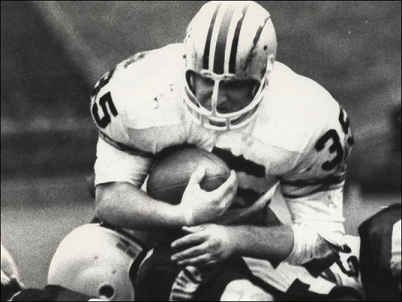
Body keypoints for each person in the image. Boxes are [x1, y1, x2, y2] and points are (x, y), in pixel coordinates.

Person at [88, 1, 357, 300]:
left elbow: (321, 235)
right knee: (91, 268)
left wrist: (235, 238)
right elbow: (110, 199)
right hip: (149, 238)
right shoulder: (141, 89)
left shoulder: (309, 118)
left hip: (245, 232)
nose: (215, 99)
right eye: (204, 79)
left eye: (234, 85)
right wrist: (183, 213)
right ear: (186, 61)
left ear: (264, 76)